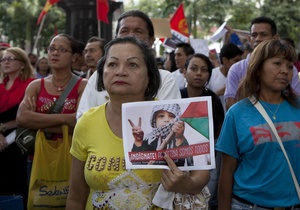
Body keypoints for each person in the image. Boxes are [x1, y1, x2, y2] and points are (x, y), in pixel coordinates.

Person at [66, 36, 210, 210]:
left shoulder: (172, 118)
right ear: (101, 73)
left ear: (149, 76)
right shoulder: (86, 123)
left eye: (132, 64)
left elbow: (201, 177)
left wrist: (187, 185)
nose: (120, 71)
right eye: (112, 64)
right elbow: (75, 197)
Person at [216, 39, 300, 209]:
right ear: (258, 68)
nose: (285, 70)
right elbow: (226, 172)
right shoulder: (237, 113)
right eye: (277, 63)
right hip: (248, 205)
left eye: (290, 66)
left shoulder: (298, 107)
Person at [16, 34, 87, 201]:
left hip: (72, 157)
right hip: (38, 156)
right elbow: (22, 118)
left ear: (74, 56)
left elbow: (80, 122)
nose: (55, 53)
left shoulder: (83, 85)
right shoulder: (36, 85)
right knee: (39, 202)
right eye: (52, 49)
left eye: (62, 50)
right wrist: (65, 119)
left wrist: (38, 122)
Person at [76, 10, 181, 119]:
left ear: (151, 41)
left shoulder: (165, 79)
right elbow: (83, 118)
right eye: (124, 31)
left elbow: (168, 123)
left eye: (138, 31)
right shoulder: (99, 75)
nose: (131, 36)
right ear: (116, 38)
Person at [224, 16, 300, 111]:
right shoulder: (236, 69)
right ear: (249, 38)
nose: (258, 39)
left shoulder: (289, 69)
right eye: (254, 35)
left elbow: (295, 101)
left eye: (263, 34)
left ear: (275, 38)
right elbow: (231, 106)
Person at [0, 47, 35, 208]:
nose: (5, 62)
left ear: (22, 64)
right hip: (1, 140)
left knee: (17, 182)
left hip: (20, 141)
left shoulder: (31, 85)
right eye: (3, 59)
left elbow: (27, 115)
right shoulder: (0, 85)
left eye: (10, 59)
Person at [207, 43, 244, 113]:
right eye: (236, 61)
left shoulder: (243, 77)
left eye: (241, 61)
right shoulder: (211, 75)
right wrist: (218, 93)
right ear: (225, 60)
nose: (240, 64)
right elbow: (203, 102)